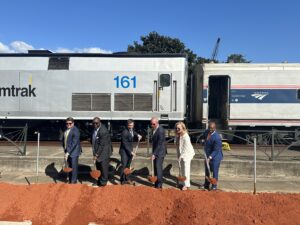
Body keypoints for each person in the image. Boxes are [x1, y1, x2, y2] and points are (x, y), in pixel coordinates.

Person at [119, 119, 142, 185]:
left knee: (128, 166)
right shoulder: (124, 132)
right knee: (124, 166)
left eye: (132, 125)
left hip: (130, 151)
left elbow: (133, 132)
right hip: (124, 151)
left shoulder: (131, 129)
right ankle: (122, 180)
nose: (131, 126)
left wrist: (138, 135)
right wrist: (131, 152)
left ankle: (127, 178)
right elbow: (124, 144)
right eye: (130, 125)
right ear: (127, 125)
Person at [91, 117, 112, 186]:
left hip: (104, 152)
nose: (95, 124)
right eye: (93, 123)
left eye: (96, 123)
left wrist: (96, 155)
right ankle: (100, 181)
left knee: (104, 168)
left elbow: (101, 145)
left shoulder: (103, 131)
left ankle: (103, 183)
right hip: (98, 151)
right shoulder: (95, 128)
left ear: (100, 122)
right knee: (99, 167)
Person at [202, 121, 223, 190]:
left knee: (214, 171)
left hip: (216, 157)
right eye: (209, 128)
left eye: (211, 128)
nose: (210, 130)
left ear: (215, 128)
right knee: (207, 170)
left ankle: (214, 186)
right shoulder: (206, 132)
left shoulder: (217, 138)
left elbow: (216, 150)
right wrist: (202, 141)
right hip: (207, 154)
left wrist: (210, 157)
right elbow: (204, 137)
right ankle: (206, 184)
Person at [175, 122, 195, 191]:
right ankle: (182, 182)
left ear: (183, 128)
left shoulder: (186, 137)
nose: (177, 129)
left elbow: (185, 149)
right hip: (181, 153)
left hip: (187, 154)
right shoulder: (179, 135)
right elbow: (178, 146)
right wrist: (178, 156)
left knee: (186, 169)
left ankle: (187, 185)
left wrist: (181, 156)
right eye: (176, 128)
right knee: (181, 168)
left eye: (179, 128)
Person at [62, 117, 82, 184]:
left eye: (70, 123)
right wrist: (65, 150)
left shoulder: (75, 130)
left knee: (73, 168)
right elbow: (64, 141)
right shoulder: (66, 130)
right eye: (67, 123)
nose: (68, 125)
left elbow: (74, 143)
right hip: (68, 151)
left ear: (73, 123)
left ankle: (73, 182)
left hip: (74, 152)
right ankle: (70, 180)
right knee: (70, 167)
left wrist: (68, 152)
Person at [150, 117, 167, 188]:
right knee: (156, 168)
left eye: (153, 124)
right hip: (156, 151)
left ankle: (159, 184)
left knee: (158, 167)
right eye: (151, 124)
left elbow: (160, 144)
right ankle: (156, 183)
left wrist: (154, 154)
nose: (152, 125)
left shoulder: (160, 130)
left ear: (157, 122)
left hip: (160, 152)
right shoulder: (155, 129)